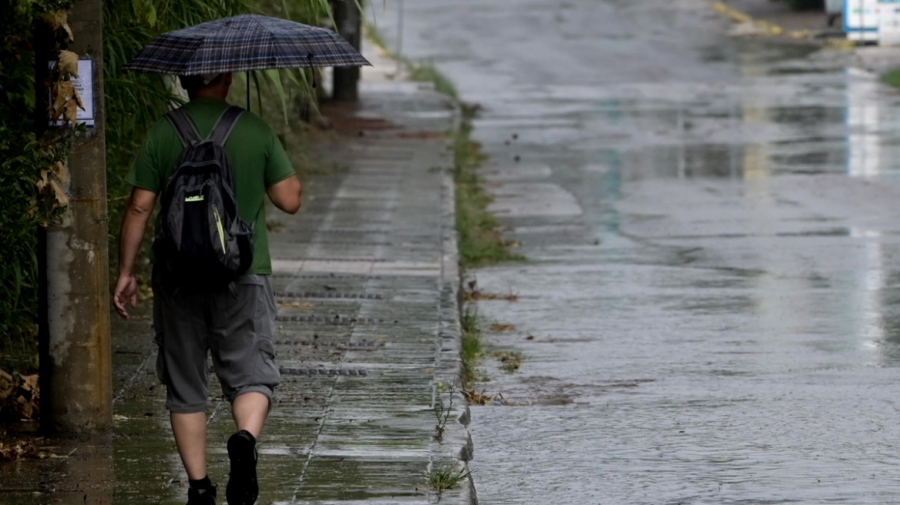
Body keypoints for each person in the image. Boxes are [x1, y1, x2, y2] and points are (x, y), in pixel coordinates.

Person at [113, 72, 302, 505]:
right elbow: (290, 200)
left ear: (184, 78)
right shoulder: (254, 129)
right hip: (244, 274)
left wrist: (127, 271)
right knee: (251, 373)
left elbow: (140, 205)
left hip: (177, 278)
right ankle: (245, 440)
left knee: (185, 383)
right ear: (230, 77)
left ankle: (199, 487)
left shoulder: (164, 131)